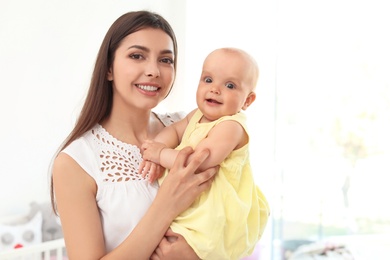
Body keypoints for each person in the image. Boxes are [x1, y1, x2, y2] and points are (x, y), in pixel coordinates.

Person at [50, 11, 218, 259]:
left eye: (166, 60)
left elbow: (237, 210)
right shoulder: (76, 162)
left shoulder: (193, 128)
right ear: (109, 68)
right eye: (137, 56)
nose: (153, 70)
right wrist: (165, 206)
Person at [138, 47, 270, 260]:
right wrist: (152, 148)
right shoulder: (196, 115)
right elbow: (173, 131)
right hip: (193, 203)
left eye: (230, 85)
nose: (215, 89)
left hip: (215, 212)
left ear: (247, 100)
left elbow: (196, 163)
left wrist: (160, 155)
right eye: (208, 80)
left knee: (192, 247)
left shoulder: (231, 127)